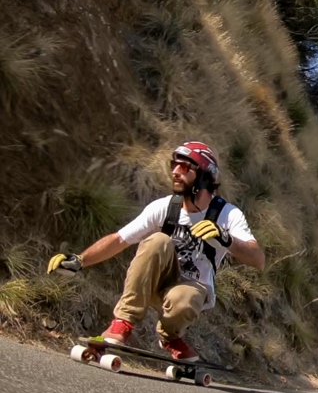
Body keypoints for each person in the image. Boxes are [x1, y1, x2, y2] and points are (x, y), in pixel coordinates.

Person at [48, 142, 264, 362]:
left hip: (190, 289)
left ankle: (170, 336)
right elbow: (119, 239)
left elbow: (257, 259)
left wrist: (226, 239)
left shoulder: (228, 214)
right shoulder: (165, 207)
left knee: (185, 299)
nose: (175, 172)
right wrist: (80, 260)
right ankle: (122, 322)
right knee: (158, 240)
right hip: (155, 282)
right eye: (174, 165)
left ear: (204, 175)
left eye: (184, 167)